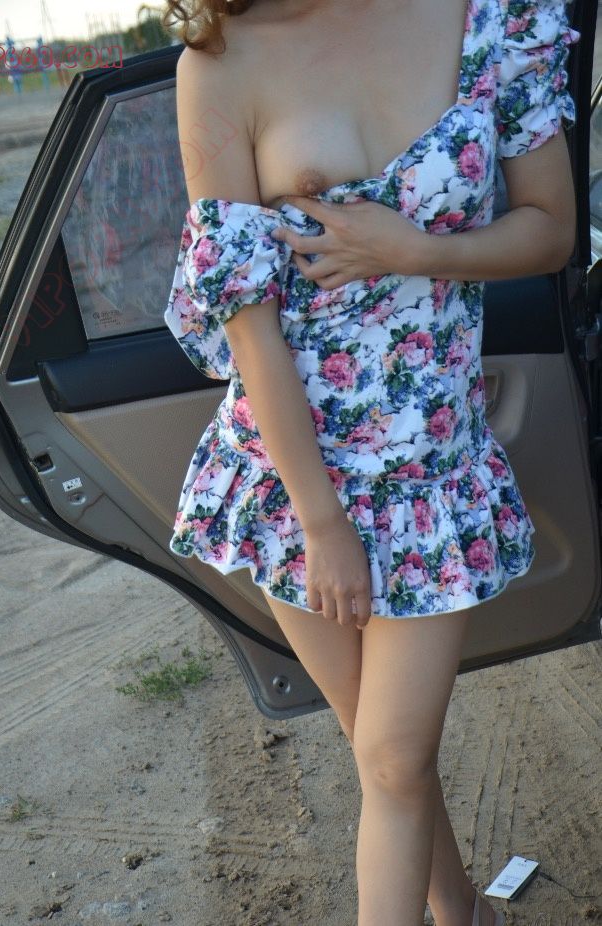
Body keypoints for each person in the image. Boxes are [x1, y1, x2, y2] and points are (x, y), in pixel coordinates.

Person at [162, 0, 580, 923]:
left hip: (430, 477)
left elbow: (552, 228)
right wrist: (322, 525)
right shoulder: (220, 61)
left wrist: (416, 250)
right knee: (384, 755)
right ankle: (463, 912)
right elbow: (248, 325)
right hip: (287, 479)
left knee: (392, 757)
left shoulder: (492, 19)